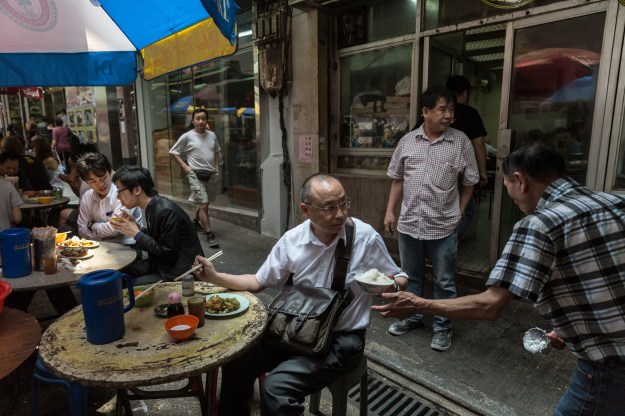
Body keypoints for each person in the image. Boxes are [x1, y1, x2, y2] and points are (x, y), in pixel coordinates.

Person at [373, 142, 625, 415]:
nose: (515, 202)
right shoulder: (614, 202)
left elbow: (490, 305)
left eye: (509, 190)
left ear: (519, 180)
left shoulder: (540, 225)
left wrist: (420, 304)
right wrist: (572, 328)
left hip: (608, 368)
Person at [193, 174, 408, 416]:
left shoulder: (365, 238)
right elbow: (257, 281)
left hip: (341, 339)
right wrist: (215, 276)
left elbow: (399, 276)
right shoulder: (292, 241)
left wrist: (392, 286)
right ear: (306, 210)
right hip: (297, 328)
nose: (340, 214)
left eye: (343, 203)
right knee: (236, 357)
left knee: (276, 389)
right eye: (329, 207)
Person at [383, 85, 479, 351]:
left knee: (444, 281)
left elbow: (469, 183)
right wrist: (390, 210)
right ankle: (411, 317)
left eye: (451, 109)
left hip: (444, 225)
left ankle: (443, 326)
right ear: (426, 112)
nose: (448, 115)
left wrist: (459, 212)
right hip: (410, 223)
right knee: (410, 277)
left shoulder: (460, 142)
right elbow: (398, 179)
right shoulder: (407, 142)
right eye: (442, 109)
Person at [110, 165, 204, 284]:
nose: (118, 196)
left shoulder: (166, 211)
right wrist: (138, 229)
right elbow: (159, 241)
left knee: (128, 285)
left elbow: (167, 254)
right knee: (121, 275)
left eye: (119, 190)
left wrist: (137, 234)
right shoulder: (154, 206)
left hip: (179, 271)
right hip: (162, 264)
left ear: (137, 190)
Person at [169, 108, 221, 248]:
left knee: (205, 202)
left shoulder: (212, 135)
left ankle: (196, 222)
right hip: (195, 175)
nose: (200, 121)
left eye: (203, 118)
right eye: (197, 119)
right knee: (203, 204)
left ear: (206, 120)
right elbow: (174, 151)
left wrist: (216, 167)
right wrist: (185, 167)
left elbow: (216, 151)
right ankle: (209, 234)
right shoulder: (187, 136)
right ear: (192, 120)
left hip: (211, 174)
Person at [445, 75, 488, 239]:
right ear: (464, 93)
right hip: (461, 171)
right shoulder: (470, 113)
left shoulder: (434, 114)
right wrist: (482, 172)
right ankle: (447, 242)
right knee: (467, 210)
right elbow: (479, 144)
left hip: (437, 171)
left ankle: (438, 244)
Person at [76, 153, 142, 245]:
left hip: (127, 246)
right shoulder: (87, 197)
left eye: (103, 178)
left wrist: (92, 225)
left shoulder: (124, 193)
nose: (100, 184)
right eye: (93, 181)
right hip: (98, 246)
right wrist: (98, 240)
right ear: (86, 182)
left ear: (110, 172)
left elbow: (114, 229)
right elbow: (82, 229)